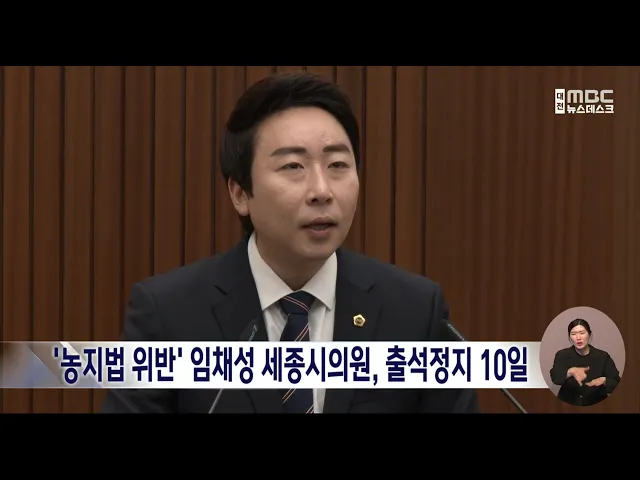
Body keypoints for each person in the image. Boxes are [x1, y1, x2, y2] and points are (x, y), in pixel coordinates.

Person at [101, 72, 480, 413]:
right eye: (293, 167)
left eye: (337, 165)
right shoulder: (168, 315)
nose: (321, 191)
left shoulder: (415, 312)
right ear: (240, 193)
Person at [549, 318, 621, 407]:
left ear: (589, 335)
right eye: (573, 334)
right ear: (570, 337)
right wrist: (570, 372)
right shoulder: (562, 355)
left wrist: (604, 380)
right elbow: (555, 377)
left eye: (582, 333)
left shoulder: (602, 356)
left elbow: (616, 382)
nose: (578, 338)